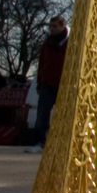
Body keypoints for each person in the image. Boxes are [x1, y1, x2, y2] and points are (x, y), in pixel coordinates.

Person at [26, 16, 68, 153]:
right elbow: (42, 63)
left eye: (55, 26)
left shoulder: (68, 43)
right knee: (42, 114)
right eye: (51, 26)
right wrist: (40, 81)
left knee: (60, 115)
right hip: (48, 83)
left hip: (63, 83)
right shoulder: (48, 43)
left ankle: (56, 142)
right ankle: (41, 141)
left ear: (62, 26)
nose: (52, 29)